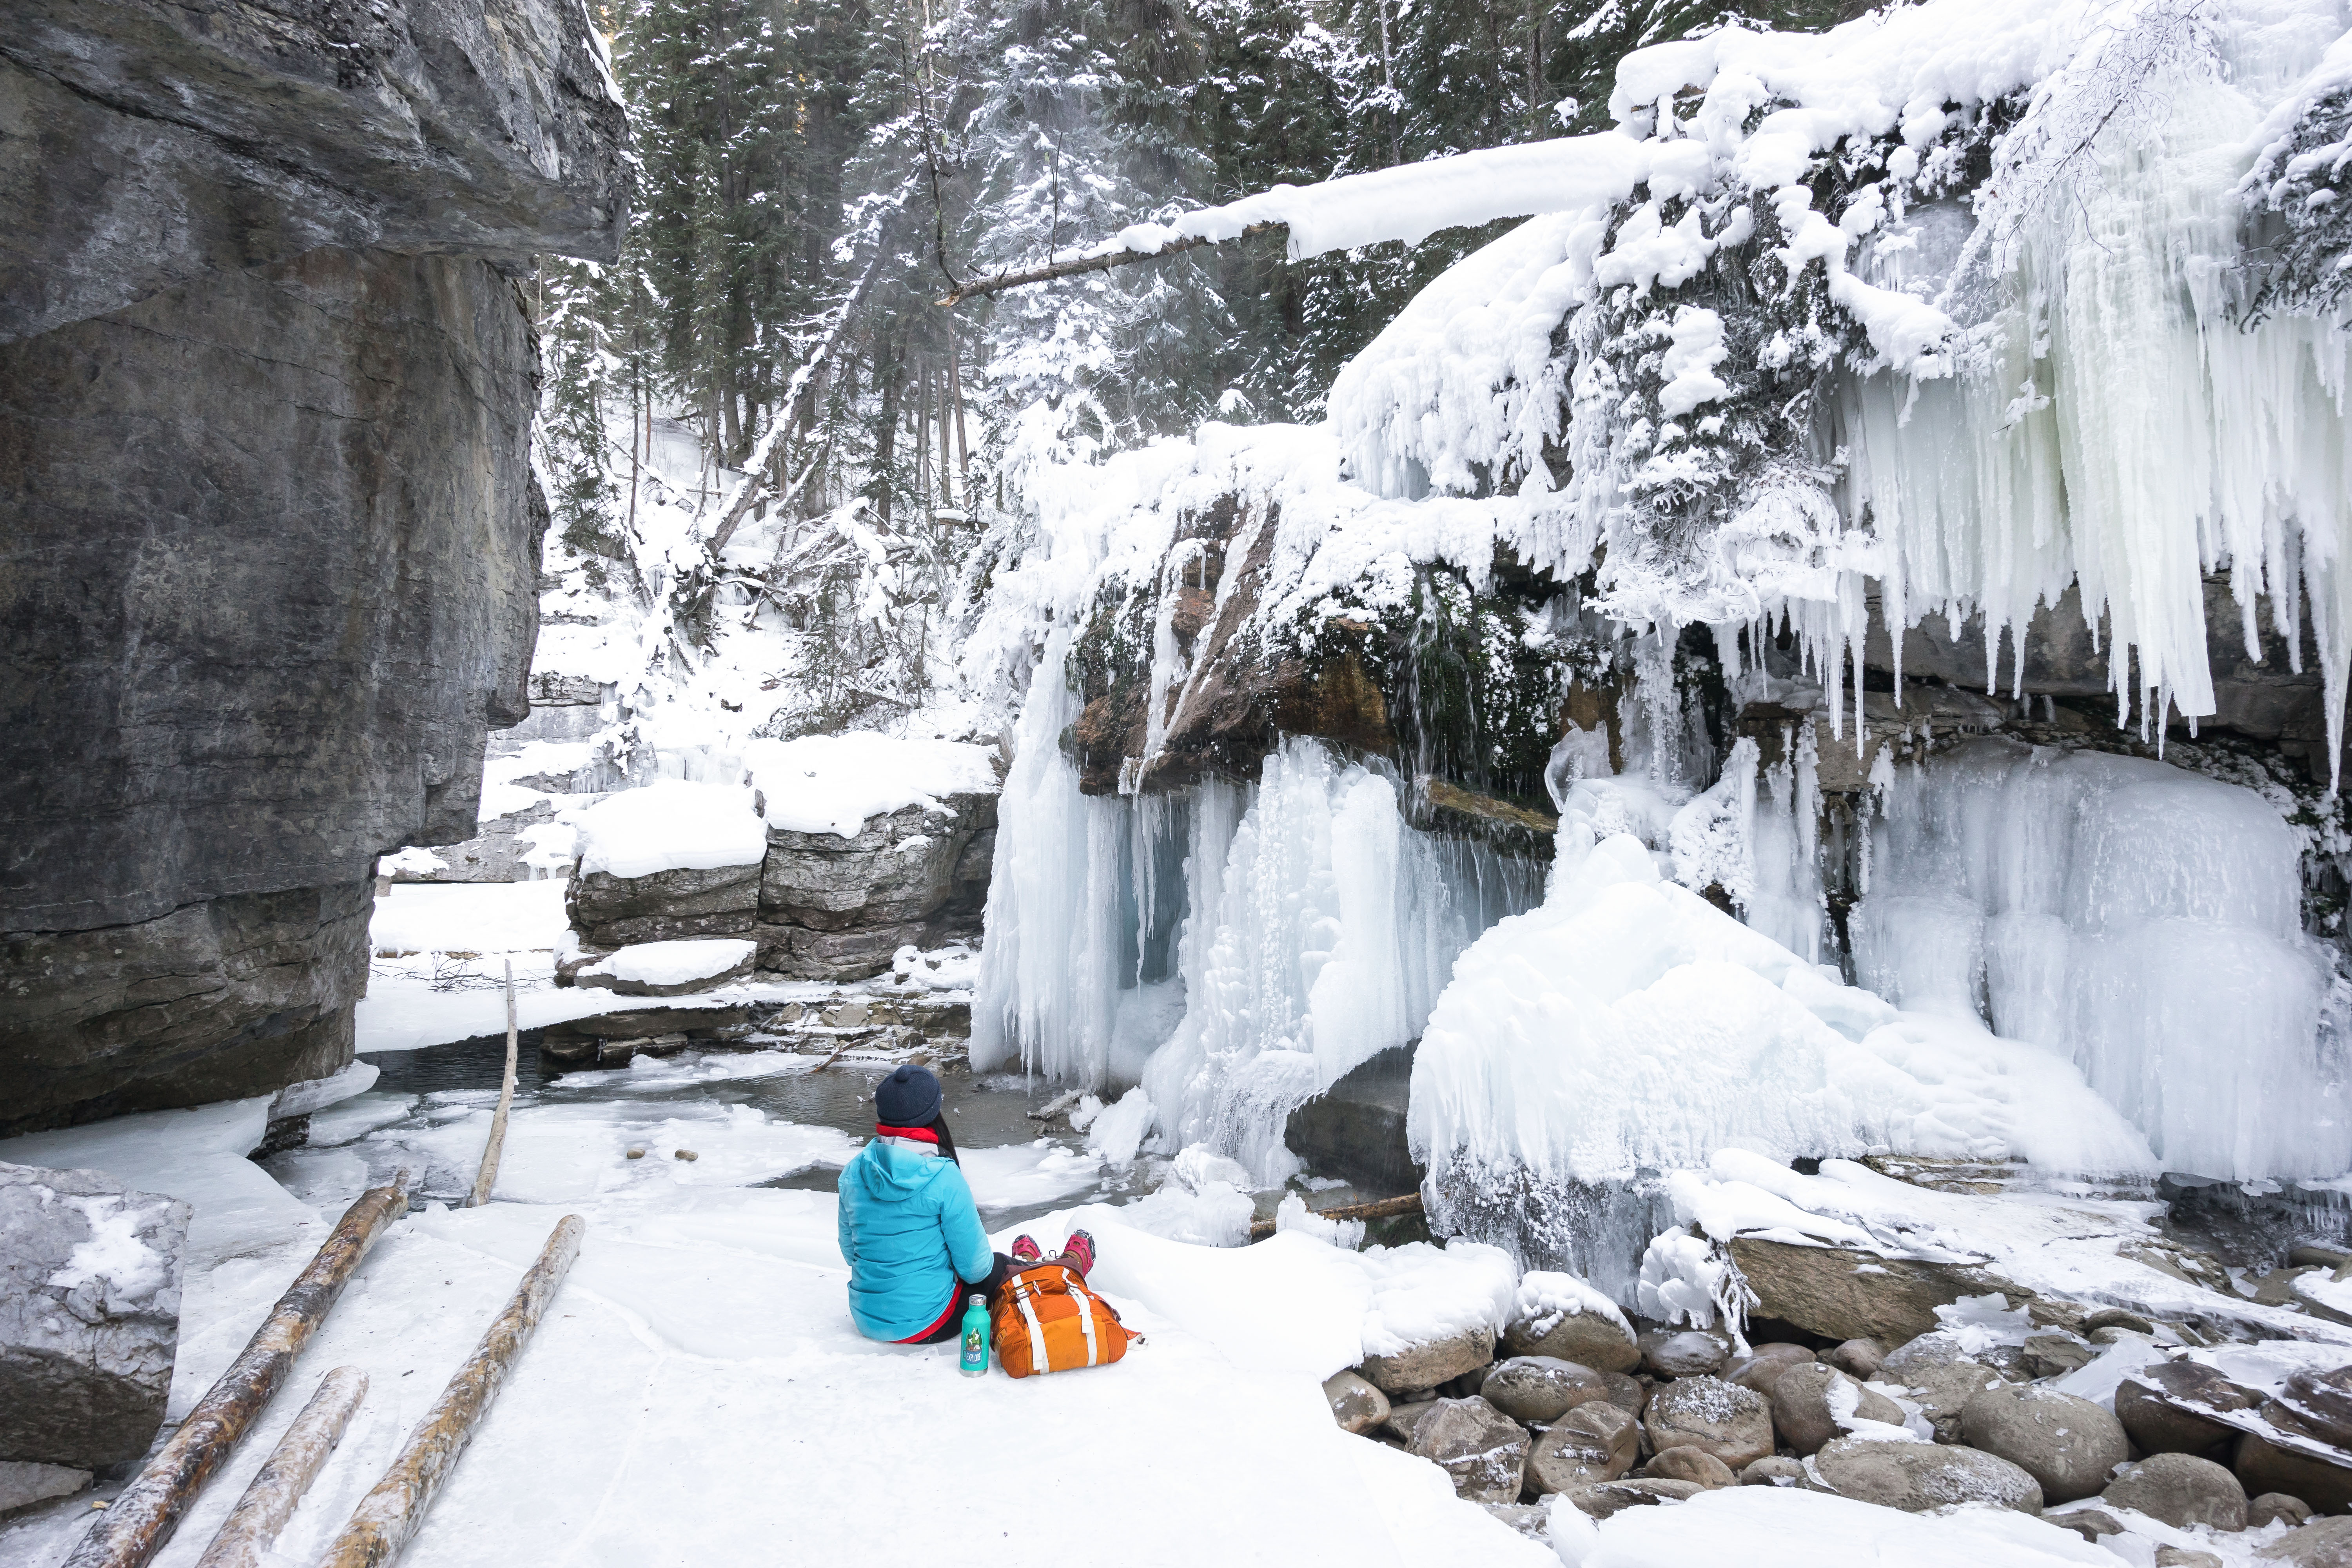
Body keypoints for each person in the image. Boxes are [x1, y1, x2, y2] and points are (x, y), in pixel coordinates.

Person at [835, 1063, 1097, 1343]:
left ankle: (1033, 1263)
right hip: (929, 1322)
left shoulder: (854, 1171)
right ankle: (1069, 1265)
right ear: (933, 1114)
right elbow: (976, 1269)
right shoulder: (942, 1175)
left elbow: (851, 1254)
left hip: (867, 1317)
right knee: (999, 1267)